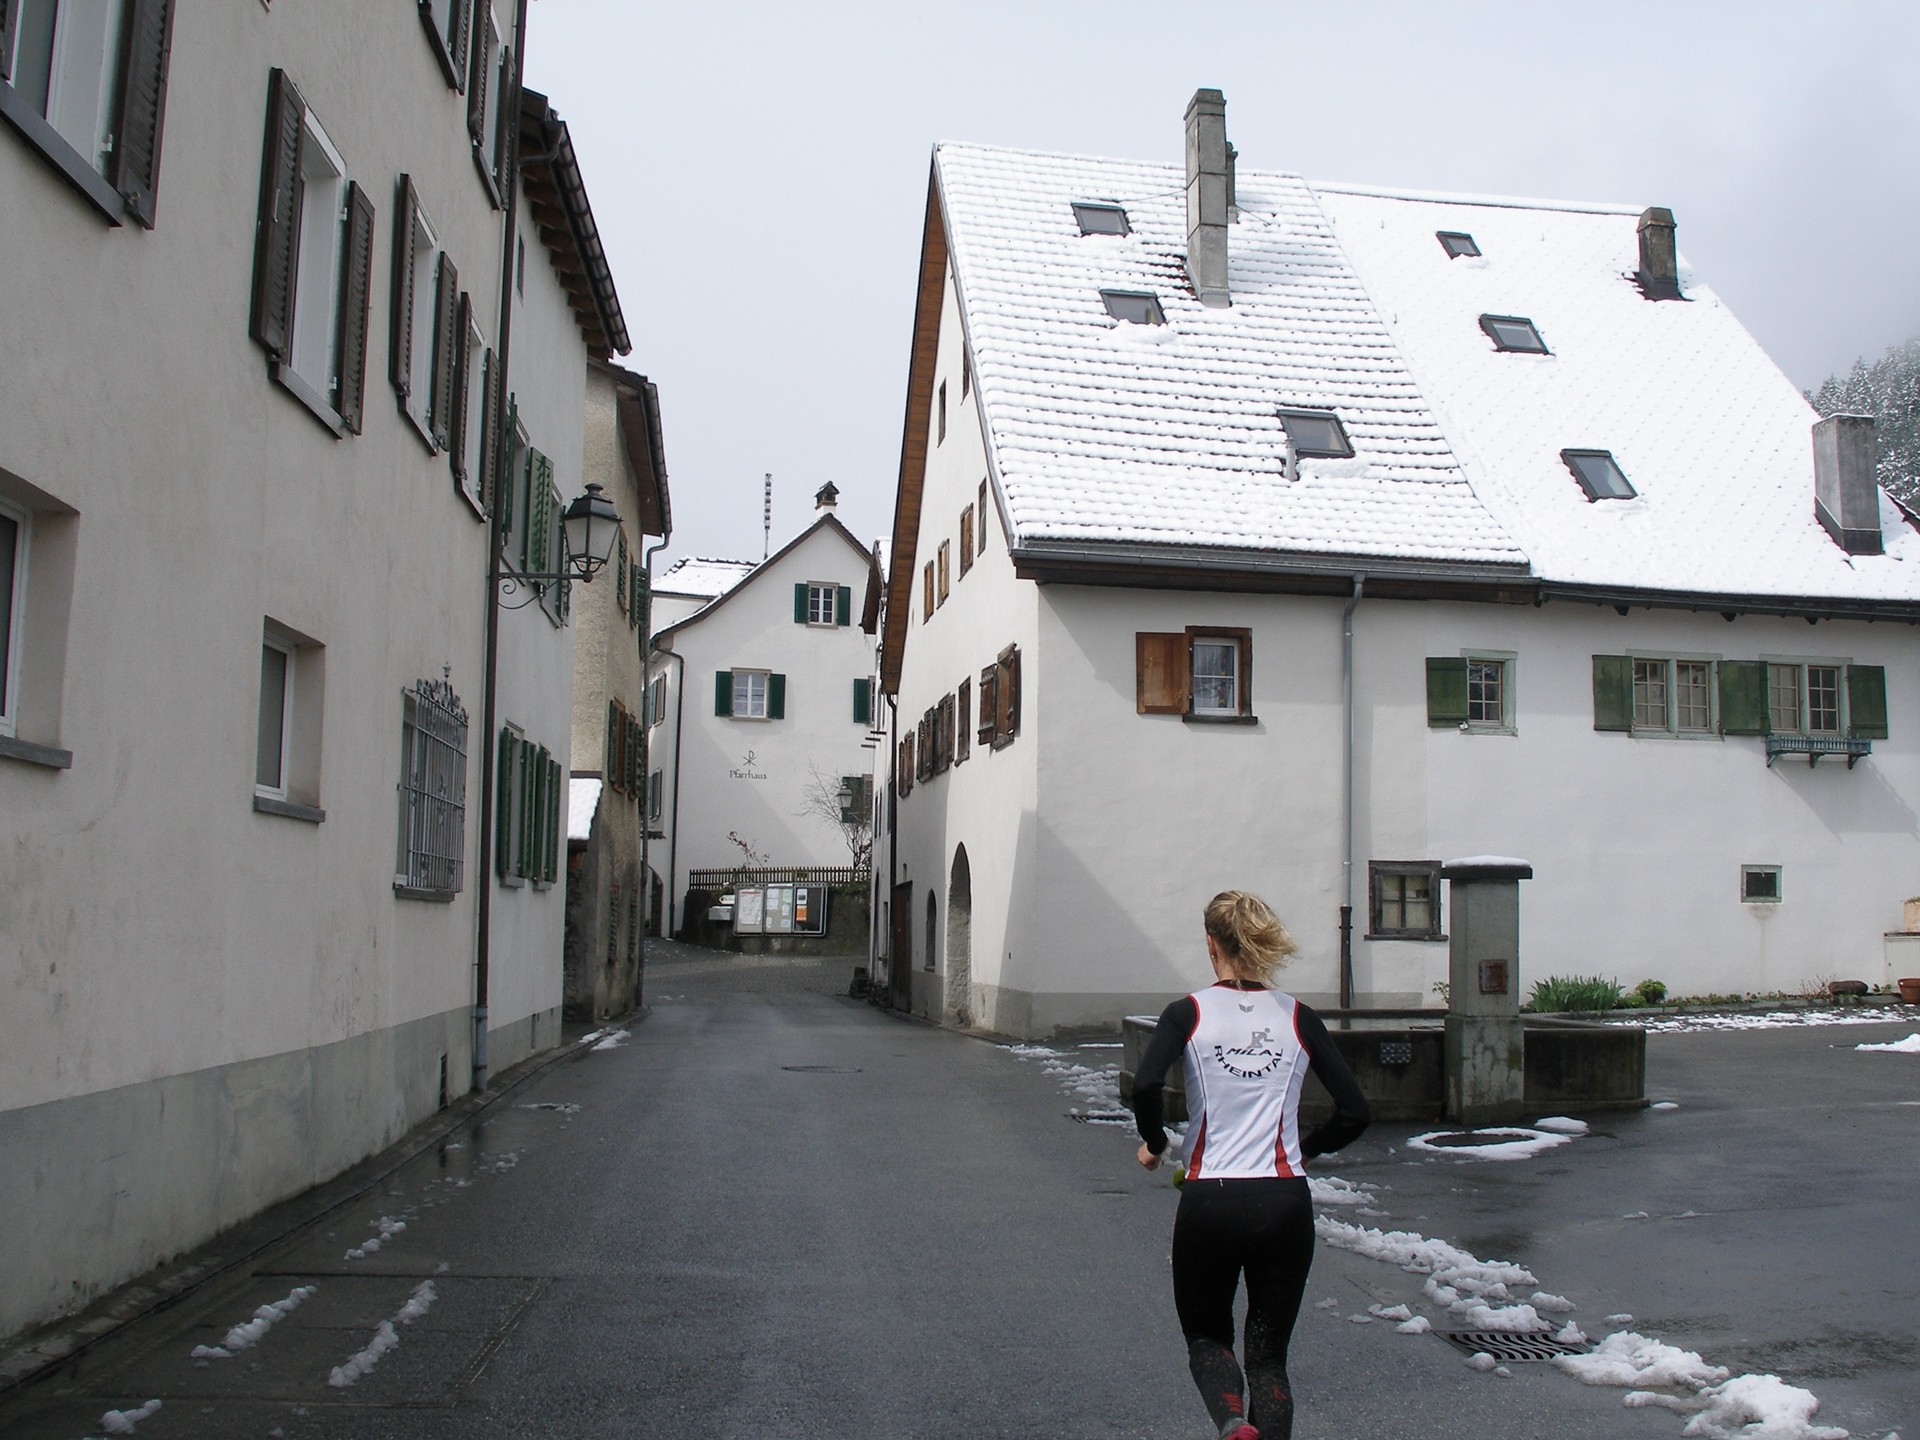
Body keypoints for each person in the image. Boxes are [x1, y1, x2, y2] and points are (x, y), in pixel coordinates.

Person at [1133, 891, 1372, 1440]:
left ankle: (1233, 1421)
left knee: (1207, 1337)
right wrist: (1308, 1149)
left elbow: (1146, 1084)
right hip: (1283, 1202)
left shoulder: (1187, 1013)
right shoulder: (1298, 1017)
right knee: (1268, 1356)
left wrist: (1155, 1141)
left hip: (1210, 1199)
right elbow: (1356, 1112)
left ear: (1211, 944)